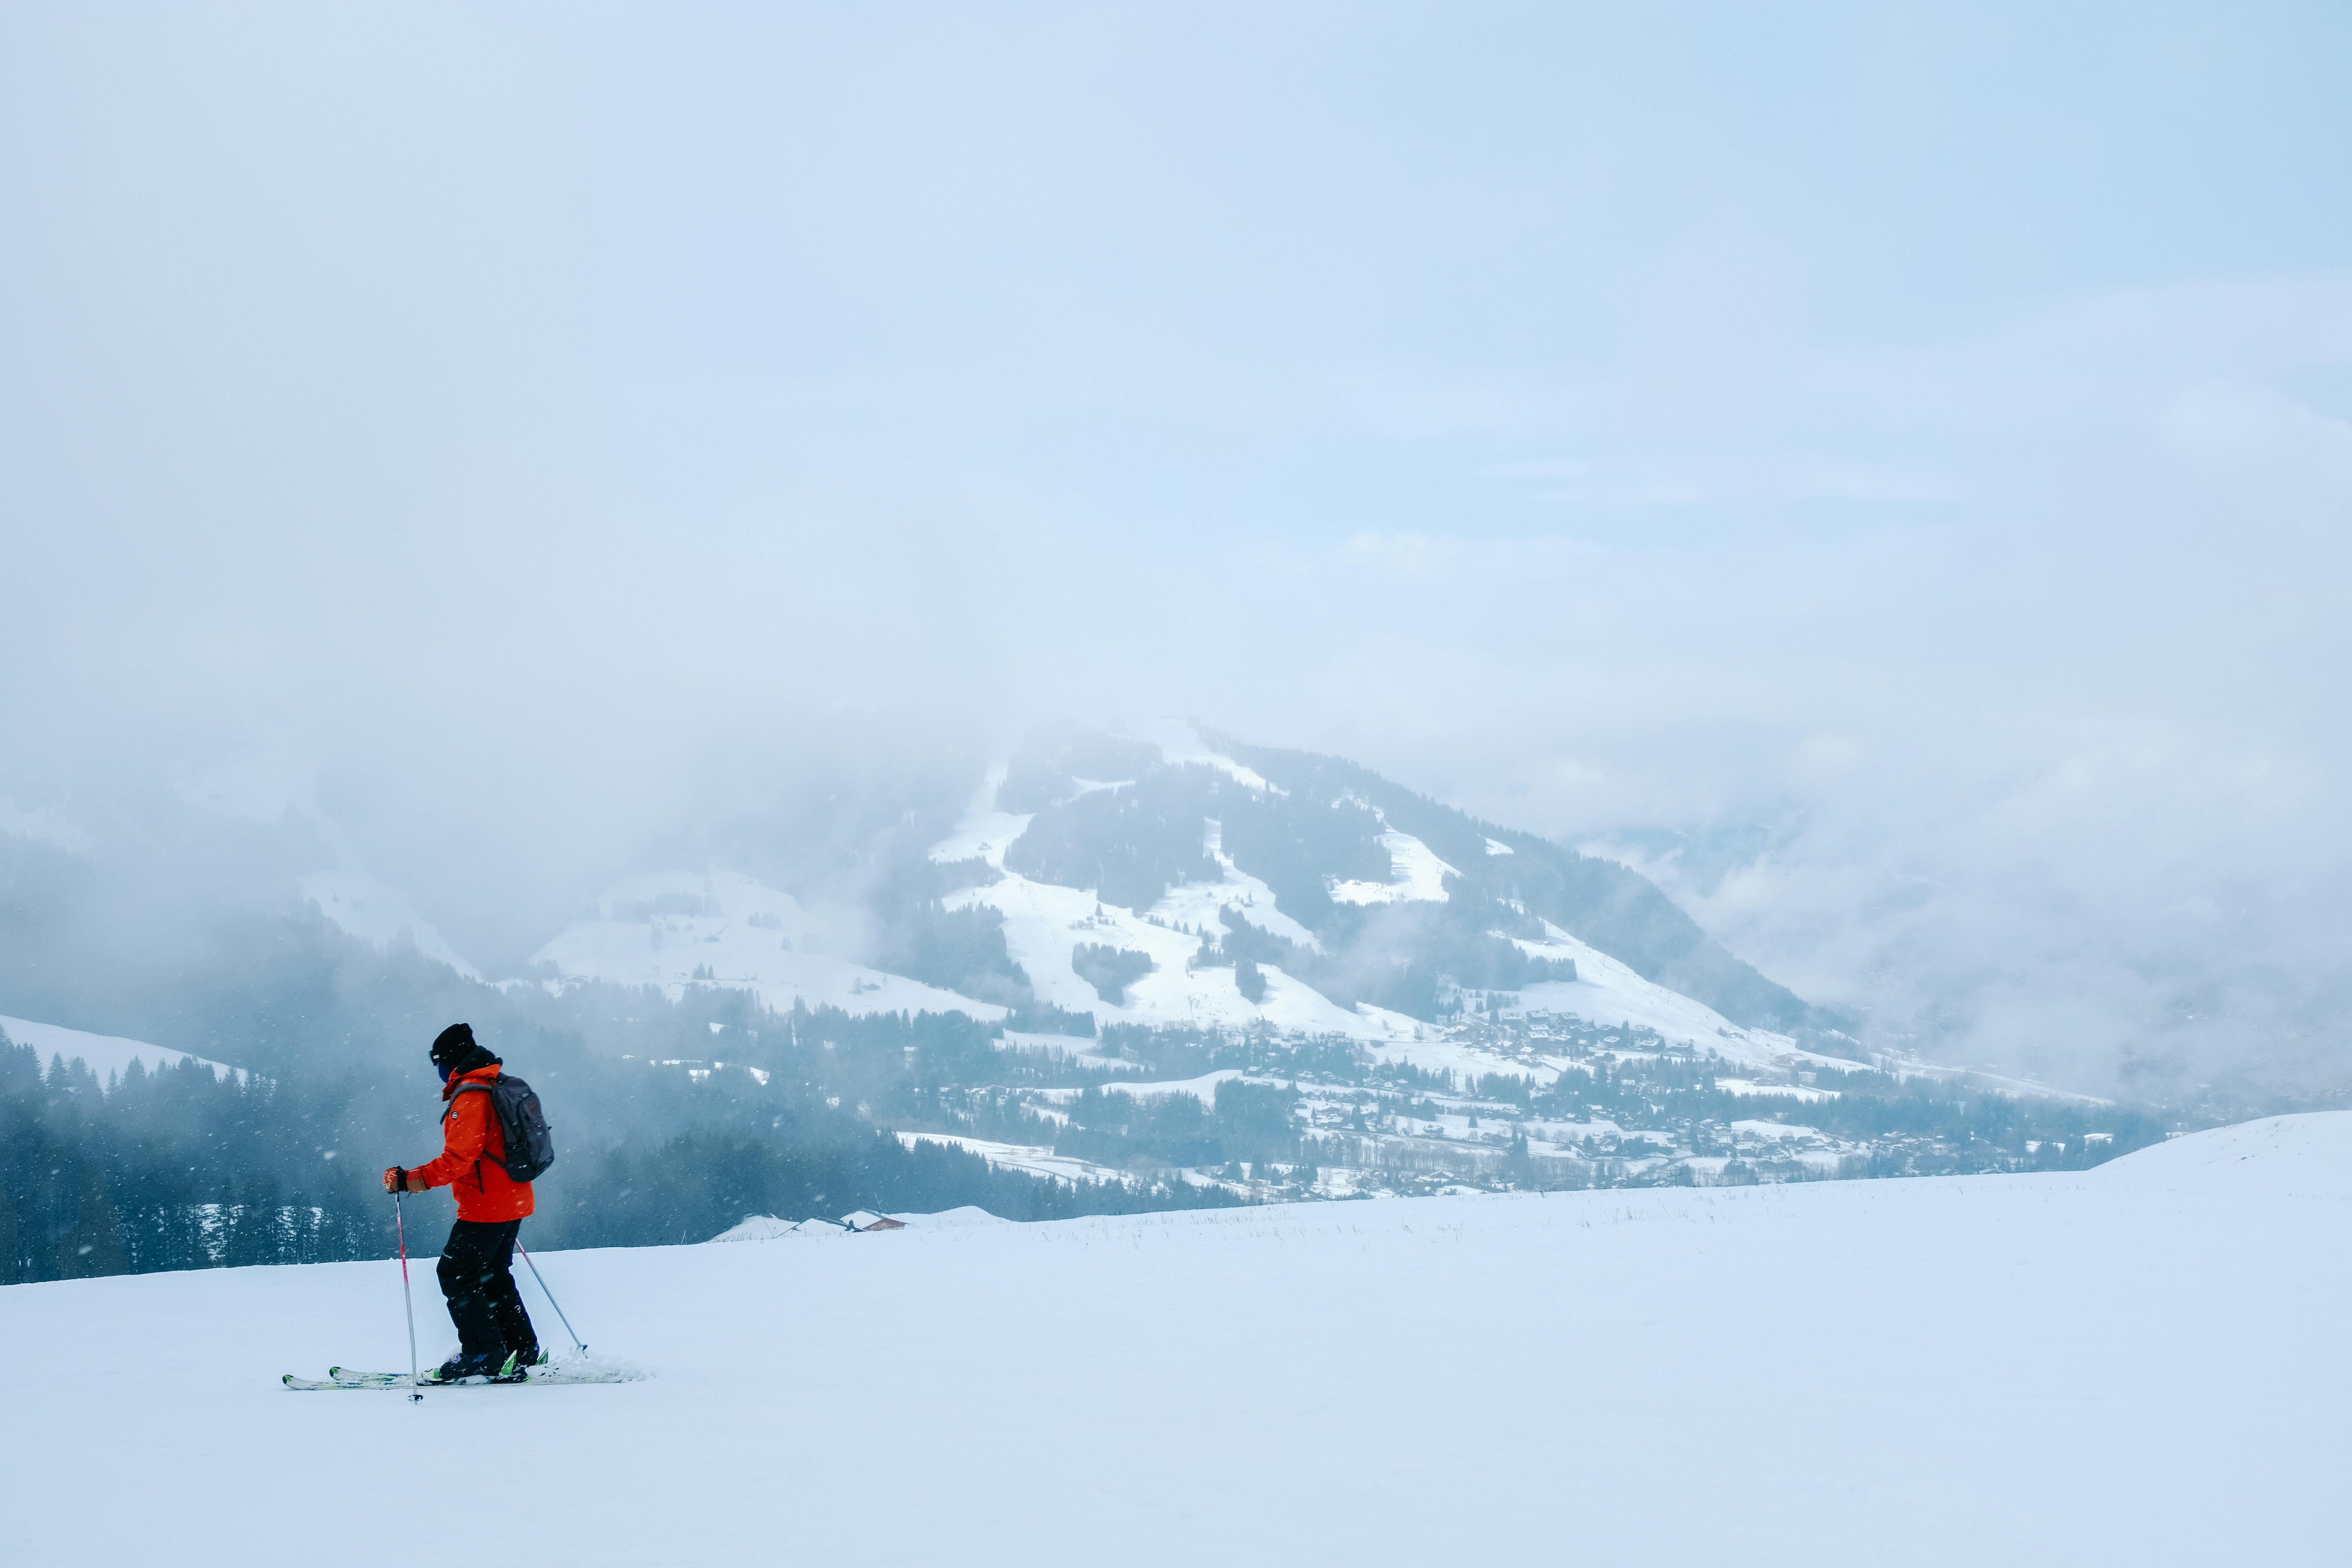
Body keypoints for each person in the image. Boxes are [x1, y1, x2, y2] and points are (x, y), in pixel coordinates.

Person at [383, 1022, 541, 1383]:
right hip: (514, 1198)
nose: (438, 1071)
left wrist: (409, 1180)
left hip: (486, 1207)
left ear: (451, 1061)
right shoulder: (496, 1083)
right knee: (492, 1274)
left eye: (438, 1062)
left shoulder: (471, 1097)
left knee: (455, 1273)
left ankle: (483, 1353)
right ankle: (520, 1349)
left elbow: (458, 1159)